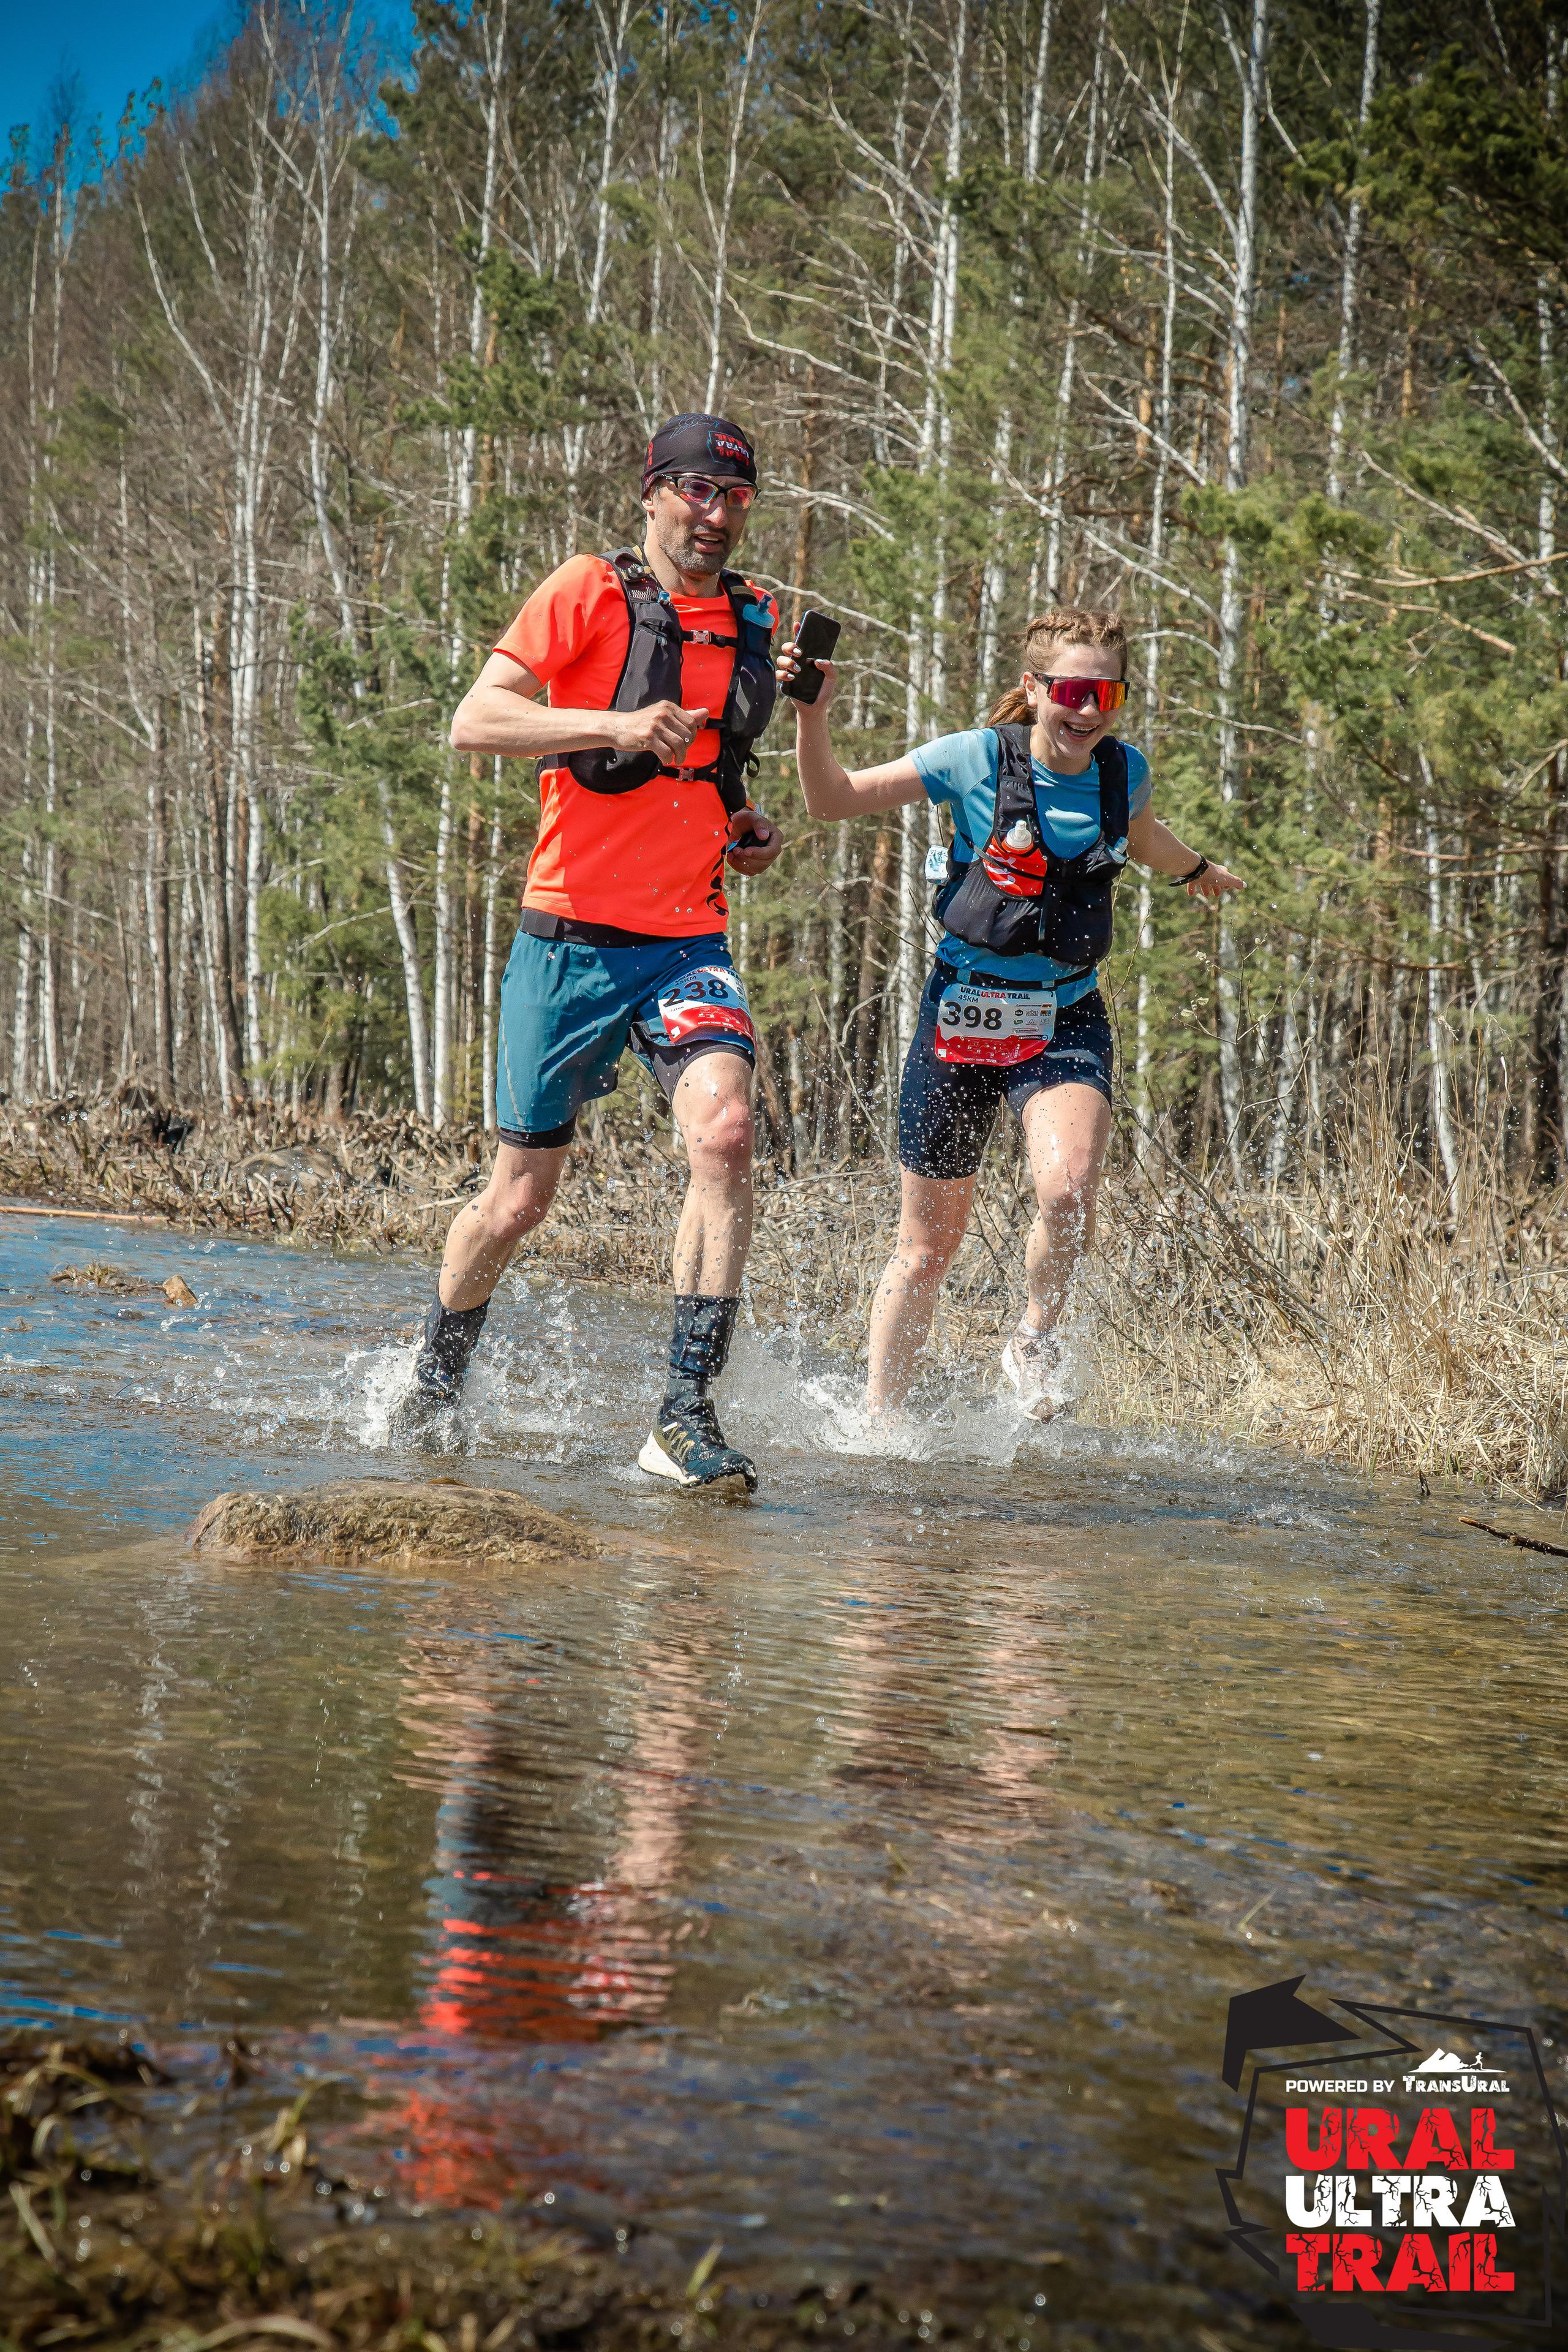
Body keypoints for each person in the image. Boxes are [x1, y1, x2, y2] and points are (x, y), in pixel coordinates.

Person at [411, 413, 784, 1493]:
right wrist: (612, 728)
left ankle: (682, 1415)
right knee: (518, 1201)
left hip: (687, 938)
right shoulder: (589, 589)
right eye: (698, 491)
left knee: (726, 1132)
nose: (716, 516)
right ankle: (435, 1384)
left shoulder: (753, 615)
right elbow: (476, 720)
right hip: (569, 936)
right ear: (654, 492)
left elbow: (718, 760)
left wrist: (744, 822)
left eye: (736, 498)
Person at [785, 605, 1243, 1418]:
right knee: (928, 1248)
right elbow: (833, 800)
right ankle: (880, 1421)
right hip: (961, 1016)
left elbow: (1141, 835)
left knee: (1068, 1192)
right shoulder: (971, 758)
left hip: (1064, 1015)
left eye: (1107, 693)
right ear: (1033, 689)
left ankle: (1033, 1337)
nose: (1089, 709)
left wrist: (1194, 868)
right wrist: (811, 718)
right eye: (1070, 690)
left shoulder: (1123, 771)